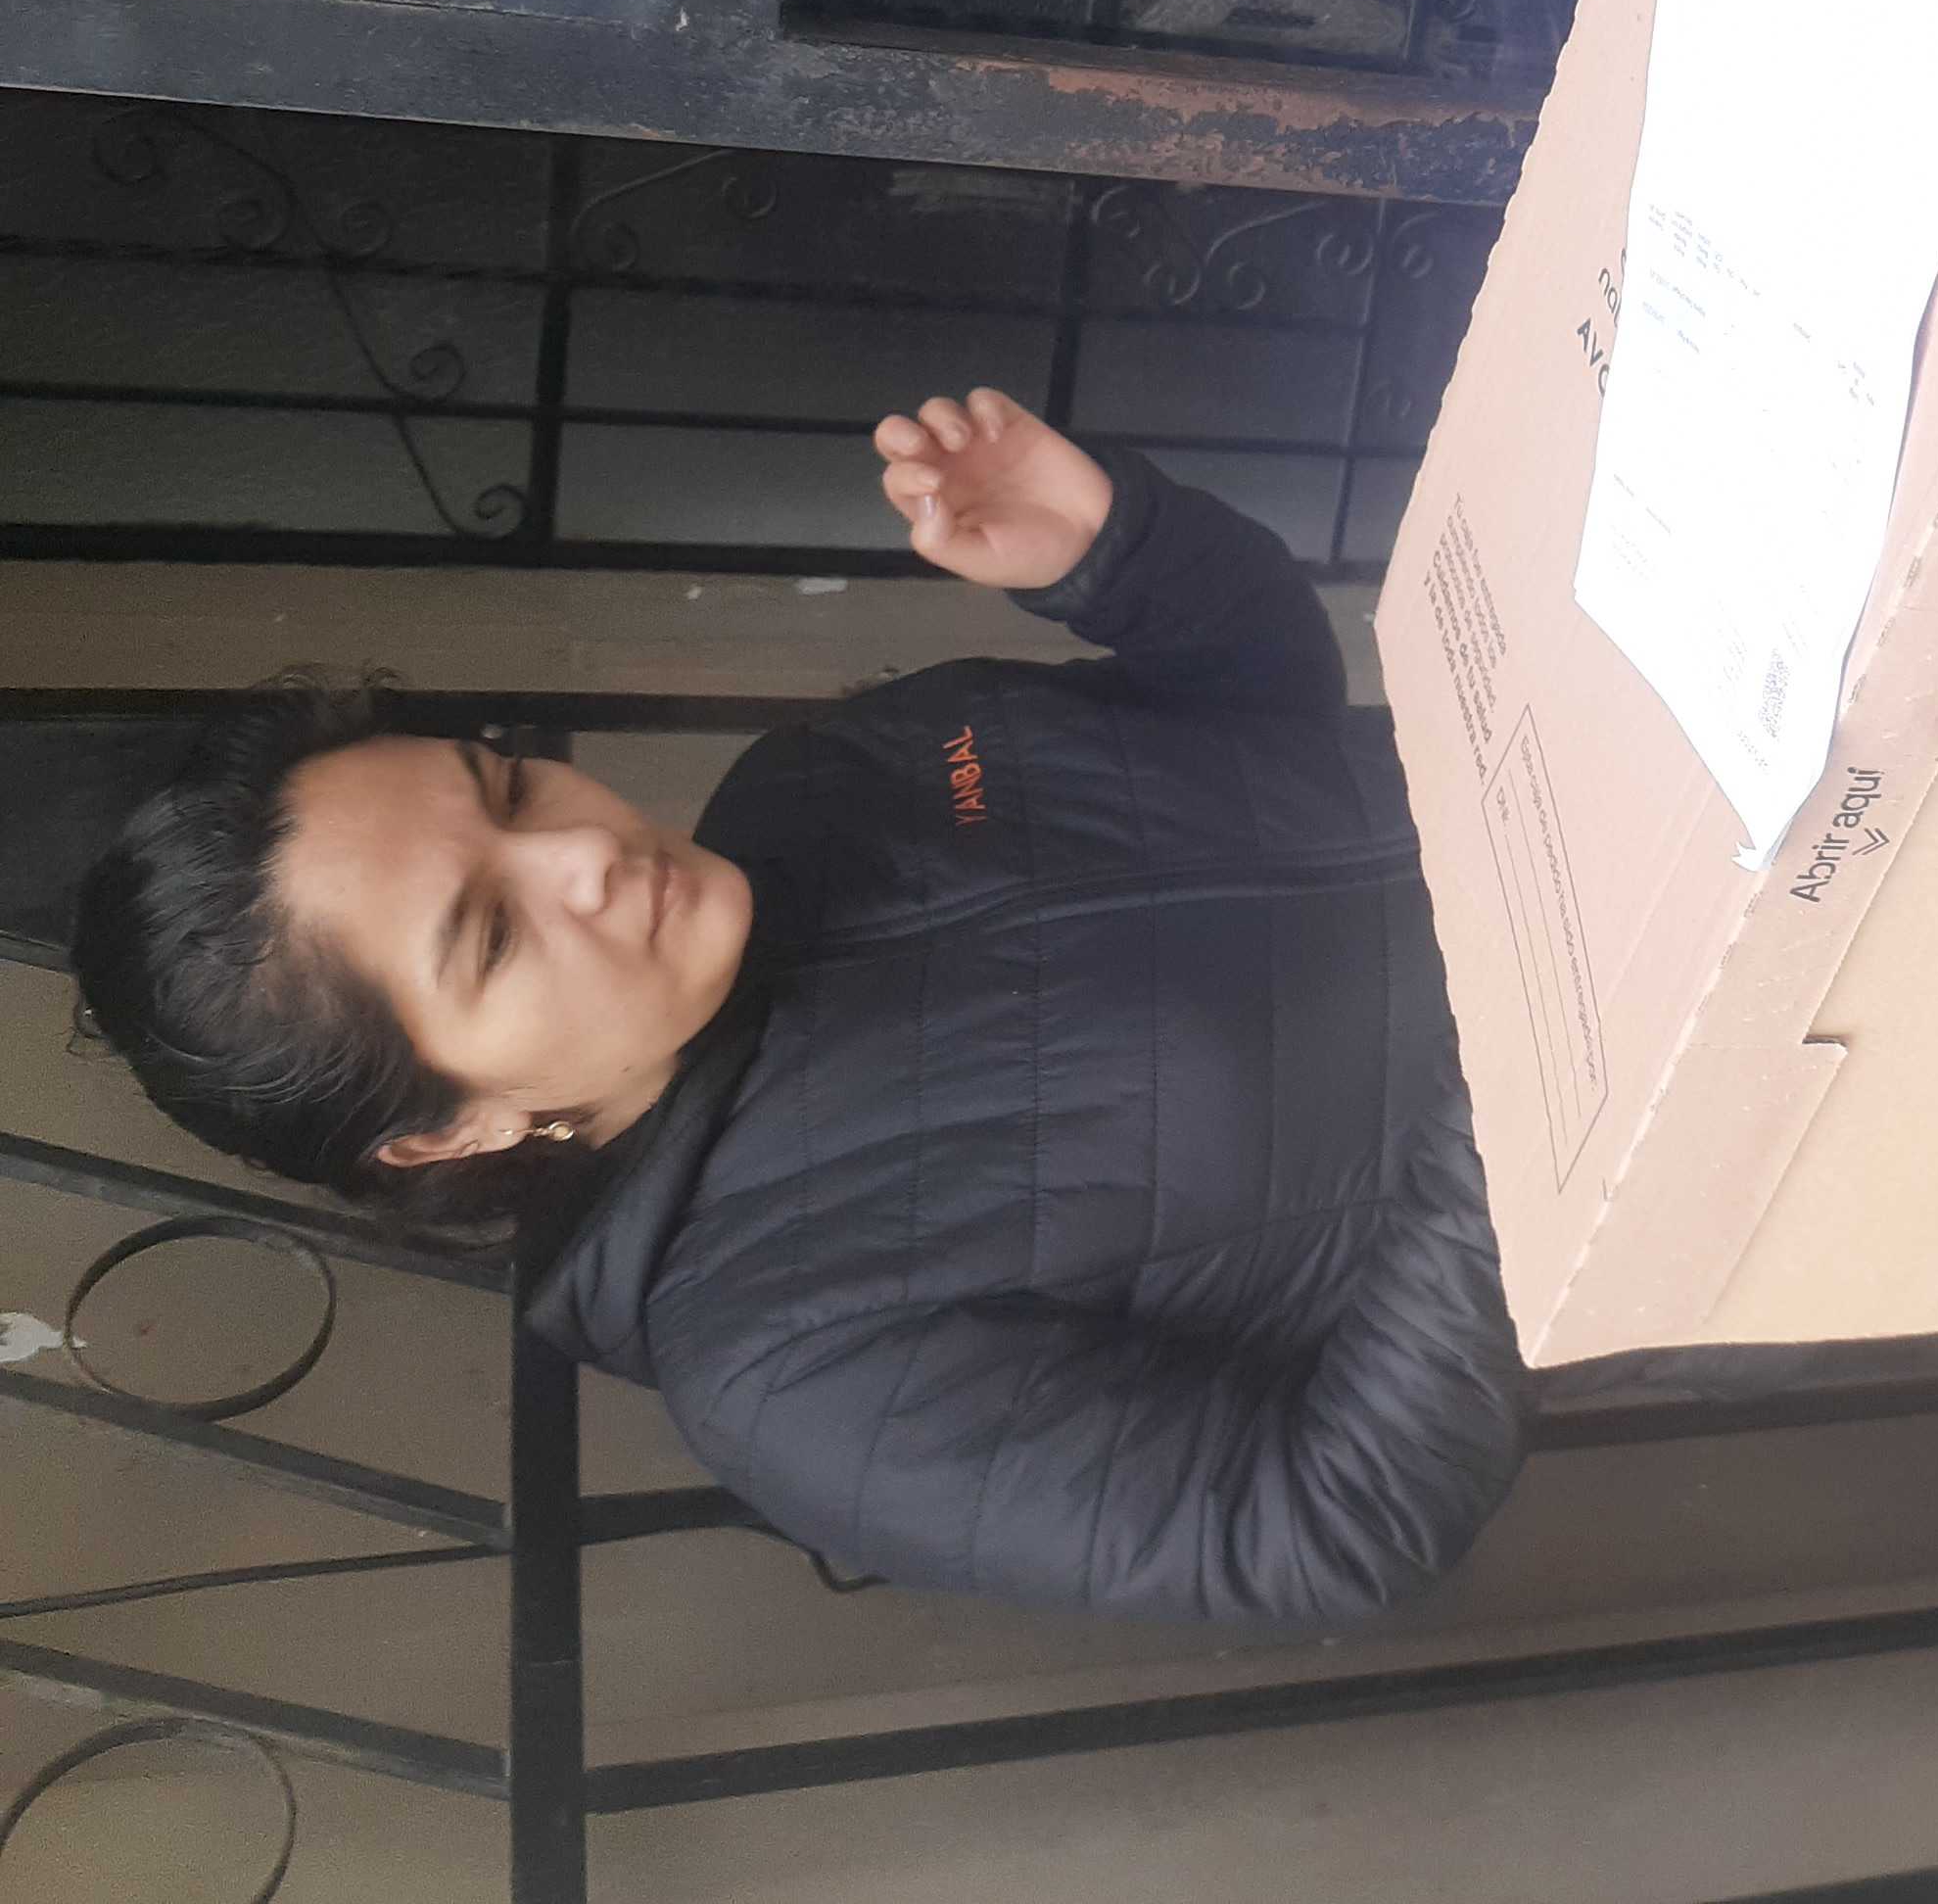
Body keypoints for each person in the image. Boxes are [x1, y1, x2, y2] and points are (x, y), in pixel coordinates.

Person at [70, 391, 1526, 1626]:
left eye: (505, 789)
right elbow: (1329, 1526)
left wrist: (1118, 553)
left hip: (1600, 786)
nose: (580, 853)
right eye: (492, 935)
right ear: (449, 1126)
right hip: (1652, 1125)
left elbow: (1265, 721)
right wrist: (1524, 1079)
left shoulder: (821, 781)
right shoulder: (790, 1371)